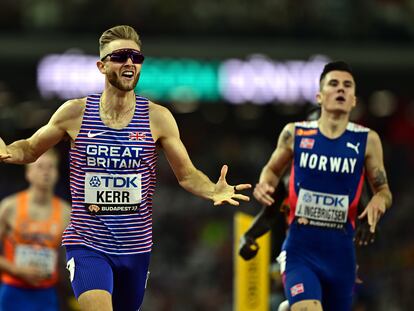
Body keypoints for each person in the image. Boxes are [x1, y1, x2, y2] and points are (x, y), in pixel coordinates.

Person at [0, 25, 251, 311]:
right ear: (101, 65)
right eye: (120, 56)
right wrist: (7, 151)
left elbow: (187, 175)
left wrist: (211, 189)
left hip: (136, 249)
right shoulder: (75, 113)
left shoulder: (158, 118)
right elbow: (30, 149)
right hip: (87, 244)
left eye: (136, 57)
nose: (130, 62)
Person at [251, 61, 392, 311]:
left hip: (341, 255)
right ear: (319, 96)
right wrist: (264, 184)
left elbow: (383, 190)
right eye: (334, 84)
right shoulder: (295, 133)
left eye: (347, 86)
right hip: (300, 250)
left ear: (354, 100)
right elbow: (272, 170)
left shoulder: (367, 141)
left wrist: (379, 200)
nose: (341, 89)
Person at [0, 149, 71, 311]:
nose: (45, 172)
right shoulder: (9, 207)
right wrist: (17, 270)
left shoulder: (67, 213)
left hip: (47, 294)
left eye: (51, 167)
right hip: (13, 292)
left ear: (57, 173)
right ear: (28, 173)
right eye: (40, 167)